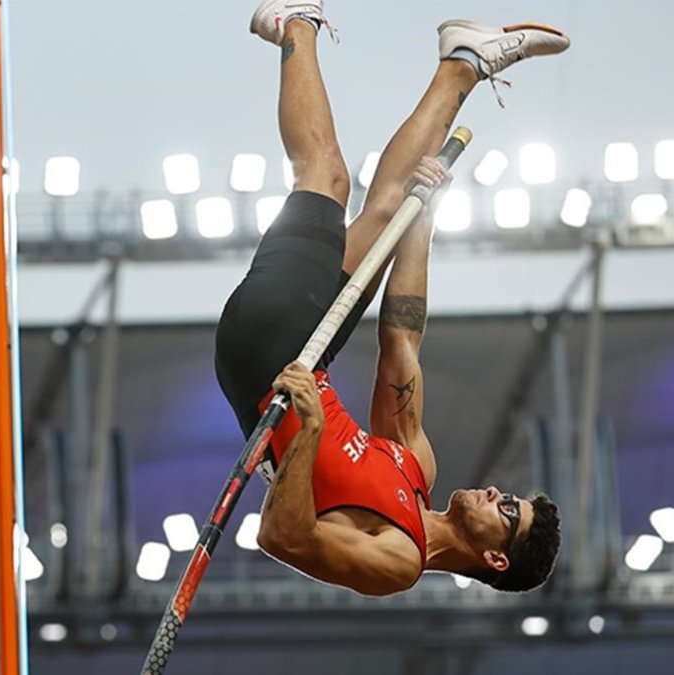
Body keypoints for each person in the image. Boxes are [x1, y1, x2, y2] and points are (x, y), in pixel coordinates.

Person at [214, 0, 567, 595]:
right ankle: (461, 64)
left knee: (324, 175)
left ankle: (292, 22)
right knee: (387, 211)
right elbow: (400, 337)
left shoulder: (396, 562)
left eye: (506, 512)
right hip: (304, 352)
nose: (493, 493)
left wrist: (306, 429)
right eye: (509, 496)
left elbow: (282, 537)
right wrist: (421, 221)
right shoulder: (414, 466)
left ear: (494, 559)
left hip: (272, 363)